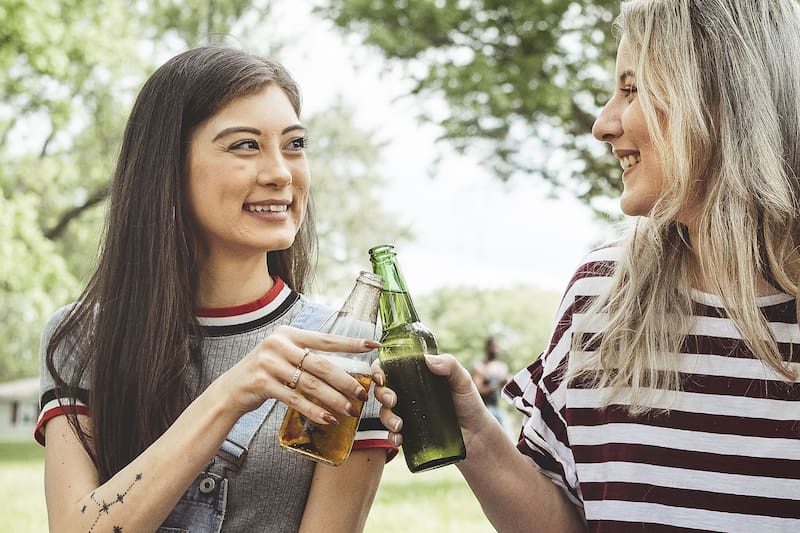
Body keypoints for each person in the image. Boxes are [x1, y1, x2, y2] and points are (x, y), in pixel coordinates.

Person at [372, 0, 800, 531]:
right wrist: (475, 433)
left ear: (721, 100)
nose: (602, 125)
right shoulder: (602, 295)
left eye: (631, 87)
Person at [35, 46, 395, 533]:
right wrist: (228, 396)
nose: (280, 173)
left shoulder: (347, 358)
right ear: (168, 167)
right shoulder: (84, 336)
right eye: (245, 145)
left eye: (294, 144)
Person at [470, 337, 511, 429]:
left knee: (509, 438)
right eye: (493, 346)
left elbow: (505, 391)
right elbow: (477, 390)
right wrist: (497, 384)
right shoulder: (479, 366)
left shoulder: (501, 367)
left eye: (497, 347)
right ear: (488, 347)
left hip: (496, 408)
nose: (496, 349)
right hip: (483, 408)